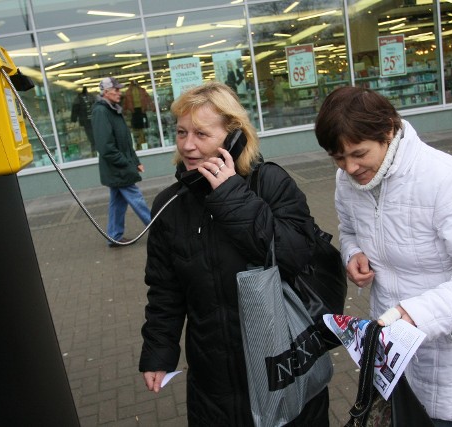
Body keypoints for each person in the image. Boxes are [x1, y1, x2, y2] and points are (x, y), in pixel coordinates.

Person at [314, 86, 452, 426]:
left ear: (388, 130)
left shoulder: (448, 178)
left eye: (358, 153)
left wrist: (415, 314)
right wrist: (353, 252)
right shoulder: (347, 180)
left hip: (444, 349)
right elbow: (348, 228)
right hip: (389, 350)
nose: (349, 167)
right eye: (338, 158)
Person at [139, 82, 330, 426]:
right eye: (181, 132)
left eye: (201, 133)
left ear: (233, 136)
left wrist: (231, 196)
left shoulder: (269, 183)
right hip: (214, 380)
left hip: (283, 367)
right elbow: (165, 289)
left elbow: (296, 254)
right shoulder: (171, 204)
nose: (188, 145)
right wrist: (159, 352)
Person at [92, 77, 151, 247]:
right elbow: (106, 147)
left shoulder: (112, 110)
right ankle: (158, 229)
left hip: (119, 167)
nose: (120, 92)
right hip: (117, 168)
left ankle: (114, 236)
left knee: (118, 203)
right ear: (105, 92)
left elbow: (125, 141)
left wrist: (135, 161)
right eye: (116, 90)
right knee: (136, 198)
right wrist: (128, 163)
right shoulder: (101, 112)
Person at [122, 80, 153, 150]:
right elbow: (126, 102)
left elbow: (148, 99)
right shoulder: (129, 92)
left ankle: (142, 142)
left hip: (140, 110)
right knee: (138, 128)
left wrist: (152, 107)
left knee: (141, 128)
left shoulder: (141, 90)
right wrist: (124, 111)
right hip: (135, 111)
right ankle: (141, 142)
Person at [71, 87, 96, 155]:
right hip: (88, 121)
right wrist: (73, 120)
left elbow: (75, 109)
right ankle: (94, 151)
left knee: (94, 136)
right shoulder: (82, 98)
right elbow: (75, 109)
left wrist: (73, 120)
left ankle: (95, 150)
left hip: (91, 120)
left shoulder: (88, 97)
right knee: (92, 137)